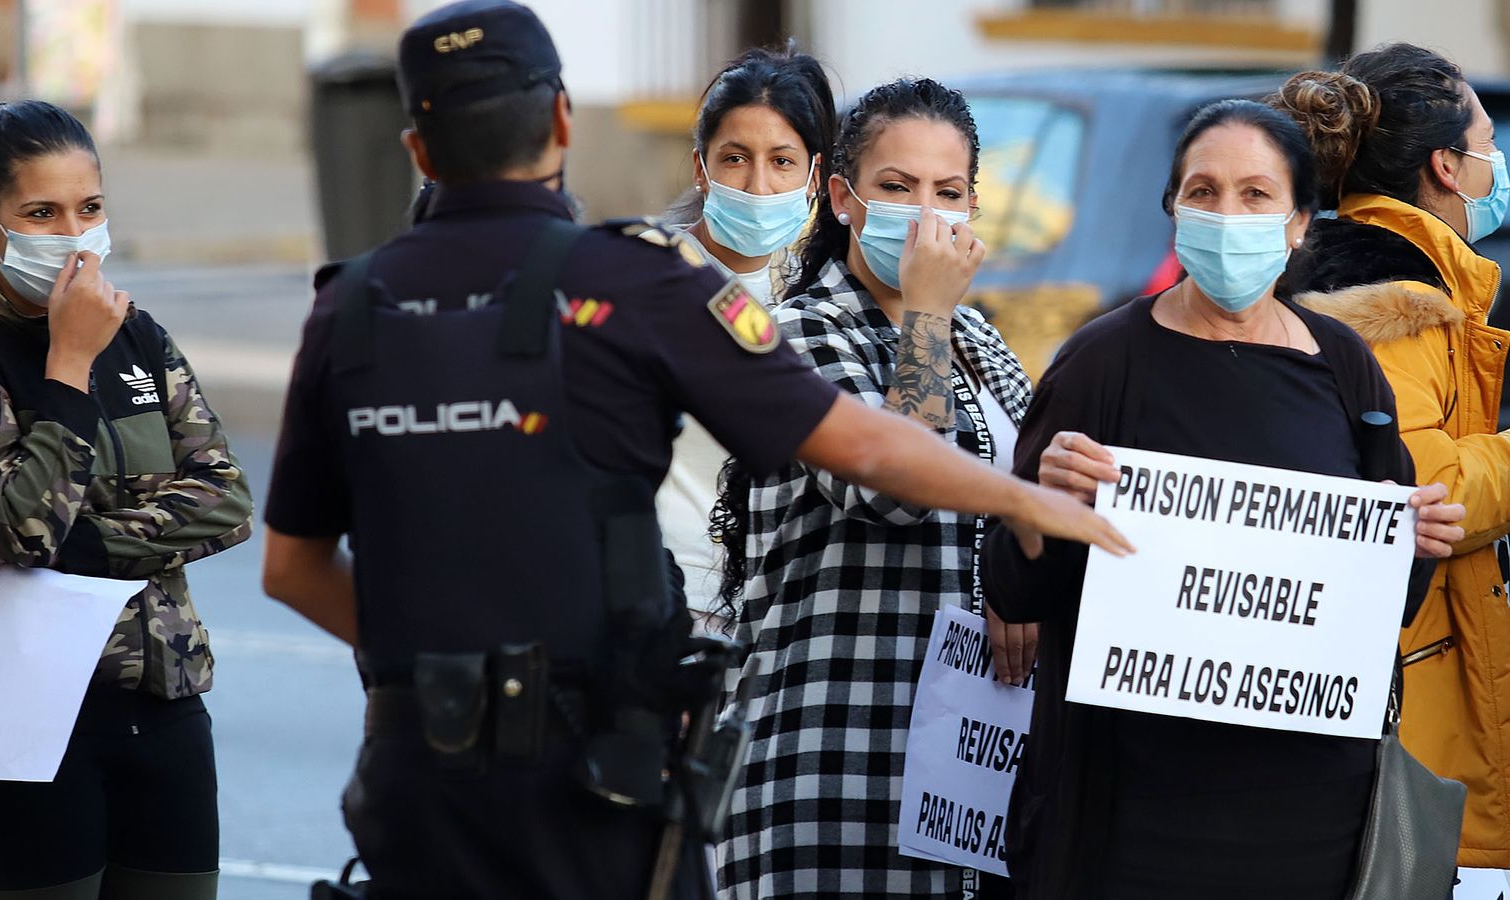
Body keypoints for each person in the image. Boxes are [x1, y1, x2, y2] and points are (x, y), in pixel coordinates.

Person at [259, 3, 1130, 899]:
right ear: (562, 121)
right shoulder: (641, 277)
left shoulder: (350, 305)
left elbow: (289, 569)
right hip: (595, 762)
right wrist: (1020, 501)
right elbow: (866, 449)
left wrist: (441, 661)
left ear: (417, 149)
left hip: (420, 762)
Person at [980, 99, 1465, 899]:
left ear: (1300, 223)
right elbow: (1012, 584)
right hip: (1132, 811)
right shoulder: (1101, 364)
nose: (1226, 213)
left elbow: (1382, 604)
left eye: (1255, 194)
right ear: (1172, 208)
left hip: (1307, 812)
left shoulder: (1345, 369)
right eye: (1202, 192)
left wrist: (1415, 540)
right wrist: (1038, 507)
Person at [712, 77, 1031, 900]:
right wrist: (925, 311)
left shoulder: (980, 340)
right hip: (839, 764)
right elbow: (901, 485)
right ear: (845, 200)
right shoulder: (796, 334)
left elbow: (1019, 495)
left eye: (948, 192)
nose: (927, 215)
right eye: (898, 188)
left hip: (966, 775)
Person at [0, 99, 252, 900]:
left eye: (89, 209)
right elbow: (21, 520)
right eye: (41, 213)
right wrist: (70, 364)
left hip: (163, 699)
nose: (72, 235)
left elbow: (224, 496)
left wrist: (69, 547)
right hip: (20, 719)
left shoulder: (137, 331)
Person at [1271, 45, 1510, 870]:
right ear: (1447, 168)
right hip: (1404, 689)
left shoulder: (1374, 271)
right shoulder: (1399, 304)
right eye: (1489, 141)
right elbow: (1425, 491)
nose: (1500, 163)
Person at [656, 44, 835, 625]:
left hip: (776, 611)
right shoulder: (649, 273)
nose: (758, 185)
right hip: (671, 602)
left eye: (782, 161)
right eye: (735, 158)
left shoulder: (817, 296)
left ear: (815, 176)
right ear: (701, 169)